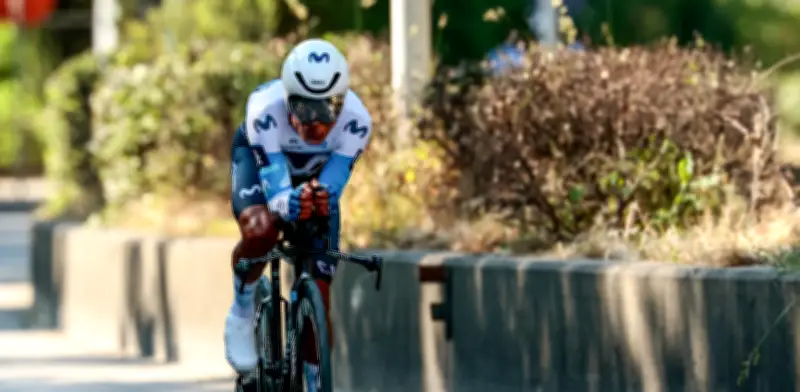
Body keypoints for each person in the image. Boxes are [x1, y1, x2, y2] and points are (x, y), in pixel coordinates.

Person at [225, 38, 372, 384]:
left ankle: (315, 377)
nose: (316, 124)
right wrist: (287, 203)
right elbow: (275, 187)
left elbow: (333, 183)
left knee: (320, 288)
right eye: (304, 109)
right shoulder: (264, 110)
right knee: (261, 230)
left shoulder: (357, 121)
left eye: (328, 109)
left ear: (342, 102)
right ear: (287, 99)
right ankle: (242, 309)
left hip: (311, 178)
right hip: (263, 165)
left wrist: (318, 196)